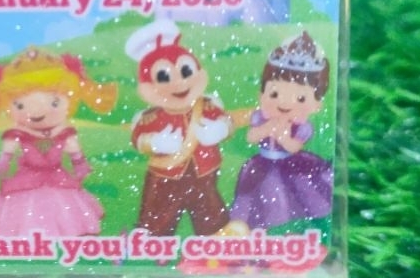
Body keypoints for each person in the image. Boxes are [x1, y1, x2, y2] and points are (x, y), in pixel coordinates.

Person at [0, 47, 117, 237]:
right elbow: (6, 155)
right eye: (20, 105)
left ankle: (65, 231)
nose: (37, 112)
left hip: (58, 177)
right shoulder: (17, 134)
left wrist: (79, 164)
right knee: (24, 206)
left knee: (65, 206)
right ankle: (28, 234)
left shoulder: (65, 134)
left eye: (54, 103)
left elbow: (76, 155)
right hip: (26, 178)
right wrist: (3, 163)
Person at [125, 19, 232, 236]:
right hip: (165, 177)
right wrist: (155, 142)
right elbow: (138, 138)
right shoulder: (151, 117)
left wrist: (220, 129)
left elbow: (227, 122)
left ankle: (216, 240)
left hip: (204, 174)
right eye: (164, 76)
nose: (179, 83)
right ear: (147, 87)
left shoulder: (207, 106)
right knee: (157, 218)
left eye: (186, 71)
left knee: (211, 216)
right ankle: (153, 244)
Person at [227, 31, 333, 231]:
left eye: (301, 98)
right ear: (262, 94)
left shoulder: (302, 127)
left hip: (291, 164)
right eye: (274, 94)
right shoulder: (261, 118)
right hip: (262, 163)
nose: (284, 103)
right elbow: (251, 136)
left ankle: (289, 225)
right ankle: (255, 226)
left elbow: (294, 147)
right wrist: (266, 128)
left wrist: (284, 137)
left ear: (316, 105)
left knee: (292, 193)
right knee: (256, 193)